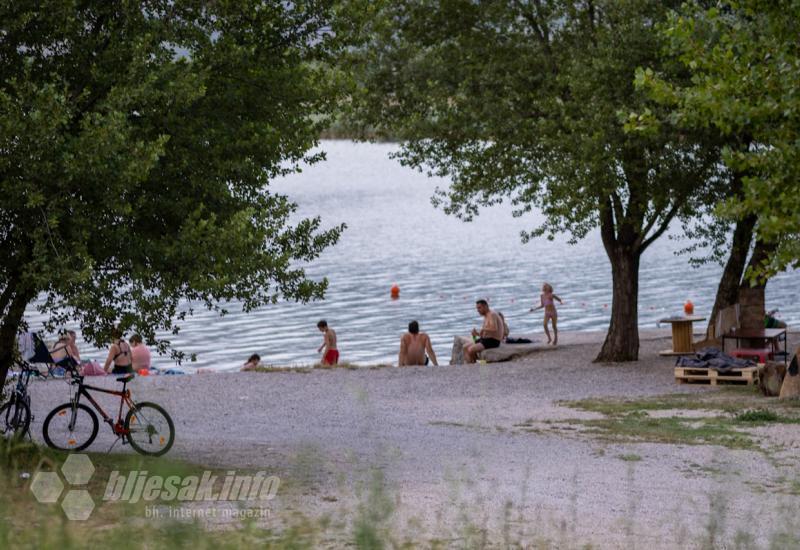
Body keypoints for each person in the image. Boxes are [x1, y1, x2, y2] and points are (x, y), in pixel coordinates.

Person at [463, 299, 504, 364]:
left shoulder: (492, 314)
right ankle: (472, 364)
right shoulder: (486, 316)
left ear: (485, 306)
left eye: (479, 308)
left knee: (470, 349)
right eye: (477, 308)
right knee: (465, 347)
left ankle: (476, 364)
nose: (478, 310)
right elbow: (487, 332)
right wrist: (477, 334)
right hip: (486, 339)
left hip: (493, 341)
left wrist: (483, 329)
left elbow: (494, 328)